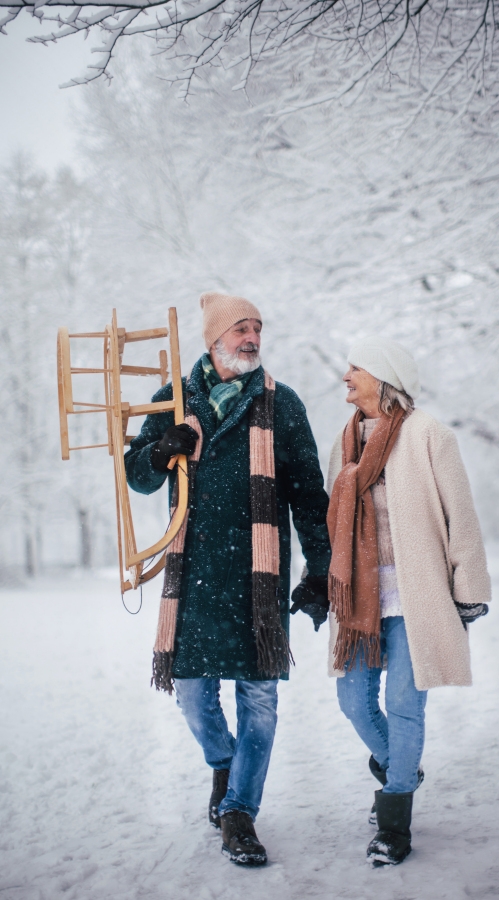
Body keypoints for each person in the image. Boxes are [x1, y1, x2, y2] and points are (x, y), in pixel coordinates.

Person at [125, 292, 330, 866]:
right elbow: (136, 476)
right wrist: (166, 448)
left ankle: (239, 811)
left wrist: (320, 569)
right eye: (241, 328)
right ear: (213, 340)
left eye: (257, 328)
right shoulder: (173, 400)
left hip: (258, 579)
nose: (252, 338)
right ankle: (225, 762)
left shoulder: (281, 404)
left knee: (259, 703)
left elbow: (310, 497)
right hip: (193, 577)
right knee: (192, 697)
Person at [326, 337, 491, 866]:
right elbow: (331, 525)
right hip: (360, 600)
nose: (346, 374)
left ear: (383, 376)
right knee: (353, 701)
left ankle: (395, 818)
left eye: (357, 367)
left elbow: (460, 517)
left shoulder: (428, 435)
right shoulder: (344, 442)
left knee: (403, 705)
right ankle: (401, 766)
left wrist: (469, 591)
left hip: (416, 595)